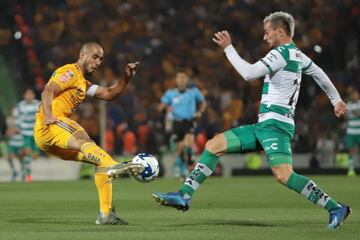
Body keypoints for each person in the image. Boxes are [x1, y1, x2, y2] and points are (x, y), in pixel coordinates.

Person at [153, 12, 351, 229]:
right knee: (214, 144)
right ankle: (184, 195)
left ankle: (335, 207)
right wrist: (336, 100)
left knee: (284, 175)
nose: (264, 37)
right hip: (264, 125)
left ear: (279, 31)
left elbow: (249, 73)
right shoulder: (298, 56)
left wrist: (228, 48)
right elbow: (320, 73)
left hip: (276, 127)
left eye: (267, 32)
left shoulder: (281, 53)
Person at [34, 42, 144, 225]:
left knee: (96, 156)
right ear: (82, 55)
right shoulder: (69, 72)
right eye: (95, 57)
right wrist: (48, 115)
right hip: (51, 123)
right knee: (82, 139)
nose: (98, 62)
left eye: (100, 58)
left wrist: (125, 78)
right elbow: (48, 91)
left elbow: (108, 94)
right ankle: (112, 165)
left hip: (51, 137)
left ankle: (106, 214)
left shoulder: (83, 83)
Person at [158, 70, 207, 180]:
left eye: (183, 78)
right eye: (179, 78)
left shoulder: (193, 92)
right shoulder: (170, 93)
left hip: (189, 121)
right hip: (177, 123)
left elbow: (203, 102)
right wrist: (165, 108)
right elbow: (161, 106)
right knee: (179, 148)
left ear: (187, 80)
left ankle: (189, 157)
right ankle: (182, 171)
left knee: (187, 143)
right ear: (176, 80)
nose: (181, 80)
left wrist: (200, 112)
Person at [16, 89, 41, 182]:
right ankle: (28, 175)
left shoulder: (38, 104)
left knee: (35, 156)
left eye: (31, 94)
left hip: (36, 132)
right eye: (27, 94)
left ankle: (26, 169)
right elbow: (16, 117)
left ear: (33, 95)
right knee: (27, 152)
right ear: (24, 96)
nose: (29, 96)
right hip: (25, 132)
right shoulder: (20, 106)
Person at [6, 106, 24, 181]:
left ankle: (23, 172)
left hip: (20, 141)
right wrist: (9, 132)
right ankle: (14, 171)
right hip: (12, 142)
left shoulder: (21, 119)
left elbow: (22, 130)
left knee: (20, 158)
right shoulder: (9, 119)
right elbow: (8, 131)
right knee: (9, 157)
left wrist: (16, 131)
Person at [345, 87, 360, 176]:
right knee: (350, 150)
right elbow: (346, 117)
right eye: (353, 95)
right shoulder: (348, 105)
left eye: (356, 94)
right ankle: (351, 169)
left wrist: (356, 113)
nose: (355, 96)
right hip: (351, 130)